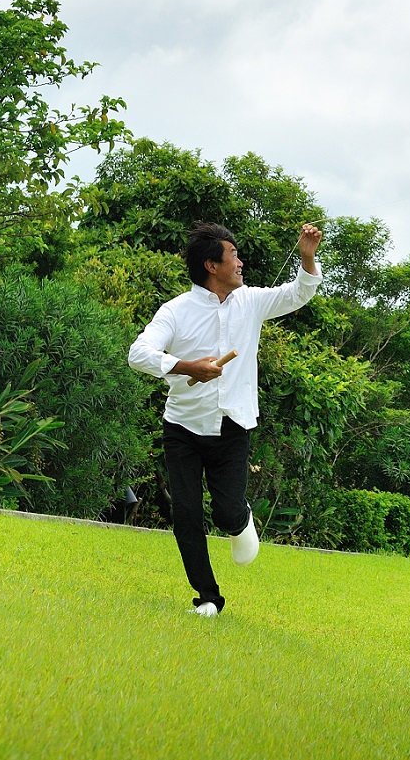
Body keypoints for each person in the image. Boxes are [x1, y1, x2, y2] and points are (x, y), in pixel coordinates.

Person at [128, 220, 323, 617]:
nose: (240, 261)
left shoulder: (250, 301)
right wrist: (185, 367)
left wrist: (307, 256)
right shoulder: (176, 310)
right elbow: (139, 353)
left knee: (227, 512)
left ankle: (240, 519)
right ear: (211, 266)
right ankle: (208, 598)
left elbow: (298, 294)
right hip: (182, 427)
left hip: (234, 427)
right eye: (233, 255)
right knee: (185, 514)